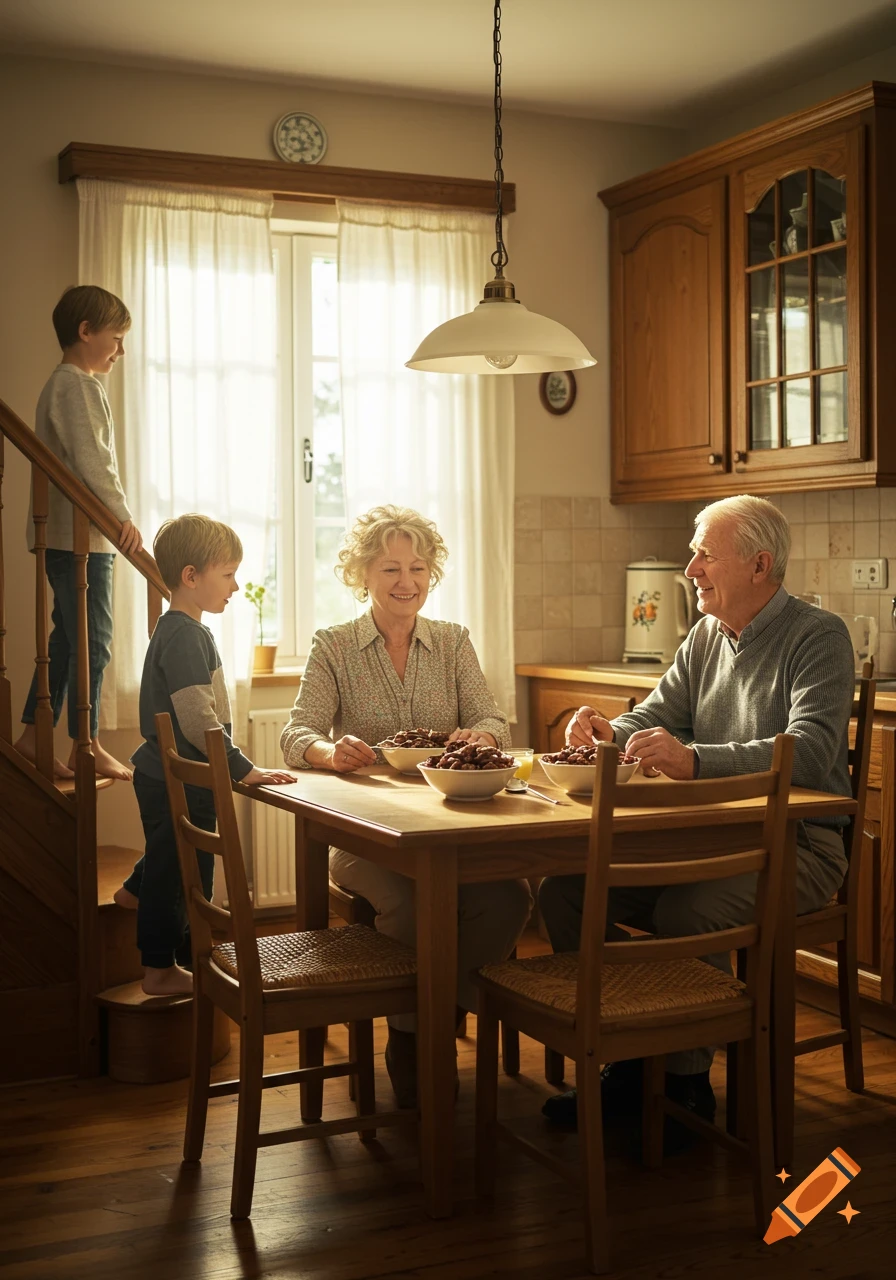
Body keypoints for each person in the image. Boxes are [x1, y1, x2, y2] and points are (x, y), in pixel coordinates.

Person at [539, 494, 855, 1147]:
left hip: (801, 848)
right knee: (568, 892)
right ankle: (628, 1063)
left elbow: (813, 752)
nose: (691, 568)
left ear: (759, 565)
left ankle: (684, 1080)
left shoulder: (817, 635)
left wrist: (696, 761)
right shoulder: (707, 635)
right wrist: (608, 726)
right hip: (711, 840)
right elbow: (659, 714)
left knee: (687, 911)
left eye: (705, 554)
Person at [280, 504, 532, 1107]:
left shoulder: (452, 641)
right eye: (391, 568)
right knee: (415, 904)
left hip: (453, 827)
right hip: (363, 834)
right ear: (362, 574)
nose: (407, 582)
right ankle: (416, 1040)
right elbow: (295, 734)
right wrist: (326, 749)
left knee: (509, 898)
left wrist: (484, 736)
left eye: (418, 568)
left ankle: (430, 1015)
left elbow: (491, 717)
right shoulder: (335, 645)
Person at [115, 514, 294, 996]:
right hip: (182, 778)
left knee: (170, 855)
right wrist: (242, 769)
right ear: (191, 577)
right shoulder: (186, 635)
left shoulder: (178, 629)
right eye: (228, 573)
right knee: (179, 874)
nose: (236, 585)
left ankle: (134, 893)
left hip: (172, 774)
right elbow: (198, 719)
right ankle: (158, 969)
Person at [15, 285, 143, 781]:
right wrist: (121, 518)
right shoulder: (77, 385)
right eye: (116, 337)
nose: (121, 350)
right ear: (85, 331)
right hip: (80, 541)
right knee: (95, 641)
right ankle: (81, 745)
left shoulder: (64, 383)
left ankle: (32, 737)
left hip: (72, 539)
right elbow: (95, 462)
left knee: (70, 640)